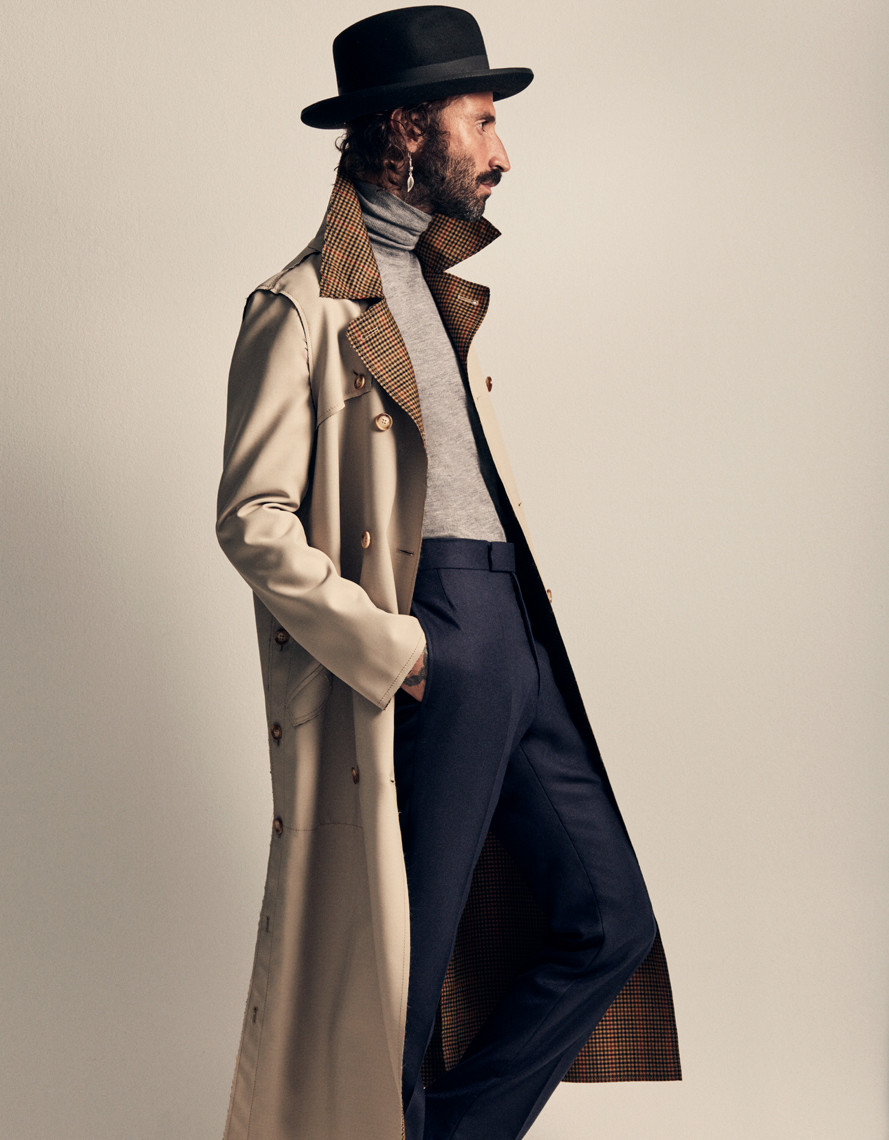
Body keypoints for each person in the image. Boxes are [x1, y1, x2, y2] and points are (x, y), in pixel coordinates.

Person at [216, 7, 680, 1139]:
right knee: (404, 978)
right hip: (428, 638)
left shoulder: (435, 282)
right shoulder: (303, 304)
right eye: (482, 122)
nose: (503, 153)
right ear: (407, 128)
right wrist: (395, 649)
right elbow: (252, 517)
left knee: (608, 921)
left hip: (514, 627)